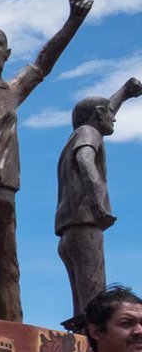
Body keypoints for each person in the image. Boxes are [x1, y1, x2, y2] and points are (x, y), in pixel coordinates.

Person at [0, 0, 91, 321]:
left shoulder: (11, 90)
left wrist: (74, 21)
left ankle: (13, 326)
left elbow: (43, 63)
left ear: (8, 53)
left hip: (7, 188)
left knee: (9, 265)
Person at [56, 79, 141, 322]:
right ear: (98, 114)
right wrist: (98, 203)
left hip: (69, 232)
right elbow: (85, 159)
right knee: (96, 310)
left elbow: (105, 111)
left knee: (84, 310)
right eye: (109, 113)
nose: (114, 119)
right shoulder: (88, 133)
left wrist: (124, 93)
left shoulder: (76, 135)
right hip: (85, 227)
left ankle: (82, 350)